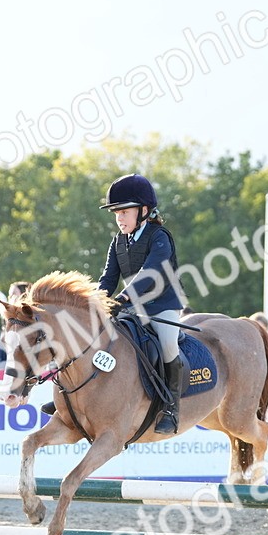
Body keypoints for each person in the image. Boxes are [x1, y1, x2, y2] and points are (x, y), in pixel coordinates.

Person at [97, 173, 185, 434]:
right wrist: (96, 302)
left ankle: (171, 407)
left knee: (168, 345)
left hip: (163, 306)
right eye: (116, 212)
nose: (119, 218)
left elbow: (151, 272)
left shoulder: (160, 237)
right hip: (132, 309)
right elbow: (108, 277)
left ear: (144, 210)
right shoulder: (118, 241)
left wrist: (122, 298)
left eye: (124, 211)